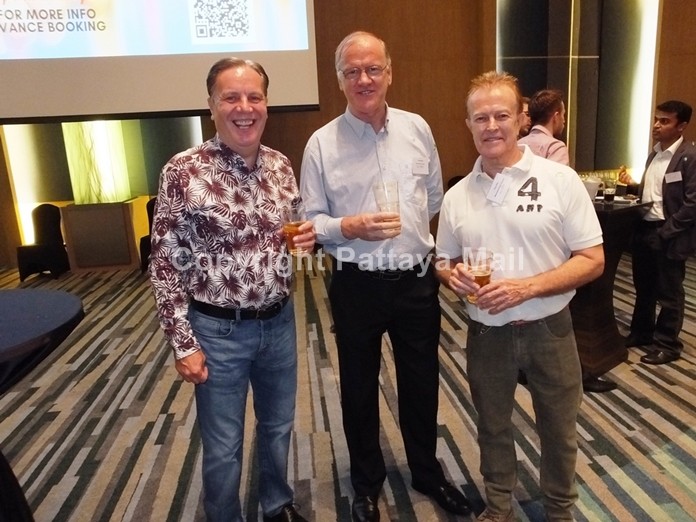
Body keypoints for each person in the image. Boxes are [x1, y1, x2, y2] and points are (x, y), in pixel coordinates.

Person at [300, 31, 471, 522]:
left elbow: (433, 198)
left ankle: (426, 471)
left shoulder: (417, 128)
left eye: (373, 68)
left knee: (422, 381)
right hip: (357, 283)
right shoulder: (321, 144)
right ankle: (366, 483)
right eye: (352, 71)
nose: (364, 79)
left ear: (389, 73)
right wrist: (349, 227)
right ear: (339, 80)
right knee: (358, 387)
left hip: (416, 281)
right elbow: (310, 221)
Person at [149, 57, 314, 522]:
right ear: (211, 106)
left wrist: (302, 242)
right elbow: (164, 262)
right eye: (231, 97)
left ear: (266, 104)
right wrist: (183, 344)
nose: (245, 108)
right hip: (217, 332)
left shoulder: (280, 166)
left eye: (254, 97)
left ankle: (276, 504)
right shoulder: (183, 171)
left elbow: (291, 234)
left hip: (278, 323)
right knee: (223, 445)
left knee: (278, 427)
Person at [434, 71, 604, 522]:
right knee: (492, 427)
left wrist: (526, 287)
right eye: (480, 118)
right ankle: (498, 508)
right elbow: (443, 260)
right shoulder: (457, 196)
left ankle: (559, 511)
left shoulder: (559, 179)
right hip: (486, 333)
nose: (491, 126)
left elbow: (592, 259)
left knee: (559, 430)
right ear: (468, 124)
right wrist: (453, 277)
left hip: (550, 329)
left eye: (501, 115)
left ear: (521, 118)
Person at [619, 100, 696, 365]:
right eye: (656, 119)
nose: (656, 125)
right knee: (644, 287)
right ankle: (642, 332)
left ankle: (668, 344)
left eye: (664, 121)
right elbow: (655, 192)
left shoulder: (689, 156)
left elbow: (692, 203)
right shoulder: (654, 154)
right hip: (645, 228)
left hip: (668, 232)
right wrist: (634, 187)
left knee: (669, 292)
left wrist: (667, 231)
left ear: (681, 126)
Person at [517, 88, 570, 166]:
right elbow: (557, 174)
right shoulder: (555, 148)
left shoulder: (516, 145)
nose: (564, 120)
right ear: (556, 116)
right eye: (563, 115)